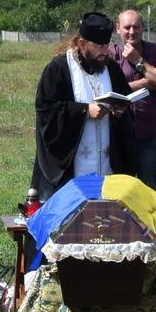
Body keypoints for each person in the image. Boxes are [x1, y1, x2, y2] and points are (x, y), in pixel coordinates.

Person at [34, 12, 137, 199]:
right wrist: (85, 111)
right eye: (99, 46)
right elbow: (46, 111)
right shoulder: (59, 68)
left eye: (107, 45)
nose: (105, 51)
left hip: (107, 165)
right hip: (73, 168)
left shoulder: (111, 68)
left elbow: (124, 101)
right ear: (82, 43)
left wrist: (121, 111)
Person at [112, 9, 156, 194]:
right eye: (127, 27)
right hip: (119, 134)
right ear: (118, 28)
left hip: (147, 134)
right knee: (120, 191)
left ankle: (151, 225)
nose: (131, 31)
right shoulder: (110, 54)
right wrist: (148, 82)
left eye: (136, 27)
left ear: (143, 28)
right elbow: (111, 90)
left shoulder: (154, 51)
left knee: (150, 190)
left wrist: (139, 61)